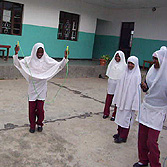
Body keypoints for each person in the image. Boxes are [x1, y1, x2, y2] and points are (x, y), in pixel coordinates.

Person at [13, 43, 68, 133]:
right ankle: (32, 125)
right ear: (34, 51)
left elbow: (59, 66)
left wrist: (65, 58)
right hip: (32, 88)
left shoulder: (47, 60)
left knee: (40, 109)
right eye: (38, 52)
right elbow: (18, 64)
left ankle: (39, 123)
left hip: (42, 88)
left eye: (41, 52)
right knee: (31, 109)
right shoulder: (29, 60)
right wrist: (16, 53)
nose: (40, 54)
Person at [133, 49, 167, 167]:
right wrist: (144, 87)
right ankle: (143, 160)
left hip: (158, 111)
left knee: (151, 141)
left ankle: (155, 164)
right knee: (142, 137)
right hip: (147, 106)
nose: (153, 62)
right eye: (153, 59)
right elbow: (147, 89)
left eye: (156, 59)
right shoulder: (152, 71)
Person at [112, 56, 141, 143]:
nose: (130, 65)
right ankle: (119, 133)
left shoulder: (136, 76)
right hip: (121, 100)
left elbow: (137, 92)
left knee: (126, 119)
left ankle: (123, 136)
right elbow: (119, 87)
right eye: (129, 63)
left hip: (129, 102)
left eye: (132, 64)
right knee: (120, 117)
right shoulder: (124, 73)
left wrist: (134, 104)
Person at [103, 50, 126, 121]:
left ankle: (115, 114)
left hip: (119, 84)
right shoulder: (112, 63)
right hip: (111, 83)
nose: (117, 58)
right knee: (109, 98)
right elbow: (109, 72)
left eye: (119, 56)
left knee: (117, 100)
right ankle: (106, 113)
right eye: (116, 56)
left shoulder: (124, 66)